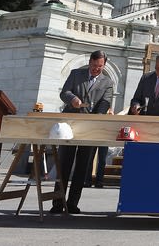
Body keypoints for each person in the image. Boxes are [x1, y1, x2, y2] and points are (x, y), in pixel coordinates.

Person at [51, 49, 113, 214]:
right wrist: (73, 99)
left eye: (100, 66)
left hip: (90, 128)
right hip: (70, 125)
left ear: (104, 65)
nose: (96, 69)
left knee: (82, 167)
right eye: (94, 65)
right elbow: (64, 92)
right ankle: (57, 202)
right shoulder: (75, 74)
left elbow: (106, 101)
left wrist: (99, 116)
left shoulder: (107, 82)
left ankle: (72, 203)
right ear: (89, 62)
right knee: (64, 164)